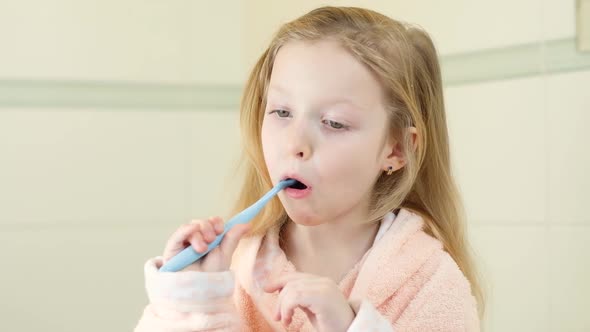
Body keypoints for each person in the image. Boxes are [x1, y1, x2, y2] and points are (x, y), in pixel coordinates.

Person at [135, 6, 483, 331]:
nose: (294, 143)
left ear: (396, 149)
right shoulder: (234, 270)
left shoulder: (433, 286)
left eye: (333, 122)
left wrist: (350, 327)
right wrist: (192, 299)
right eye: (282, 113)